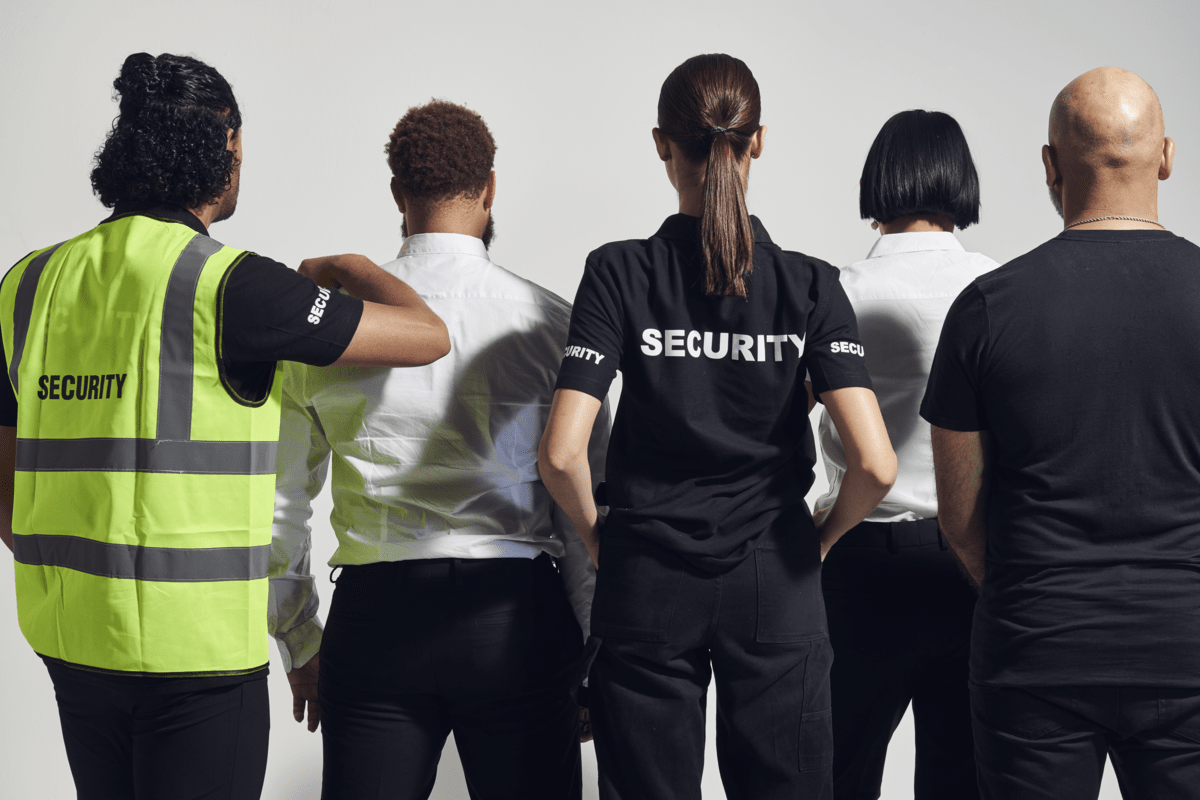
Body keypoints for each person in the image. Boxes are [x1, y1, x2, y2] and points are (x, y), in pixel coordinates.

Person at [0, 52, 449, 800]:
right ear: (226, 147)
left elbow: (9, 481)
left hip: (71, 642)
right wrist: (349, 264)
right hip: (195, 659)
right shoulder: (230, 284)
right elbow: (425, 334)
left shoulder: (27, 284)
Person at [539, 53, 897, 800]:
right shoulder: (810, 283)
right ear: (757, 140)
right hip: (777, 577)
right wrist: (819, 541)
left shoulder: (618, 272)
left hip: (646, 578)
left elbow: (563, 451)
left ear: (662, 143)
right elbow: (876, 464)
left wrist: (601, 541)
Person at [270, 99, 609, 800]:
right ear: (490, 189)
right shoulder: (553, 323)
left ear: (397, 193)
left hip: (378, 620)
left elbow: (280, 504)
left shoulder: (329, 330)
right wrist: (587, 647)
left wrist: (300, 640)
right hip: (515, 618)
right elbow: (586, 505)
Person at [921, 67, 1199, 800]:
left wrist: (1030, 593)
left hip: (1034, 649)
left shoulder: (986, 308)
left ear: (1049, 164)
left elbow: (959, 517)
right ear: (1167, 156)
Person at [815, 110, 997, 800]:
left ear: (879, 180)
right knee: (962, 779)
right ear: (961, 180)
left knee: (835, 773)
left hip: (859, 561)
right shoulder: (999, 289)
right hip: (976, 563)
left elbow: (778, 422)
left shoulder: (836, 293)